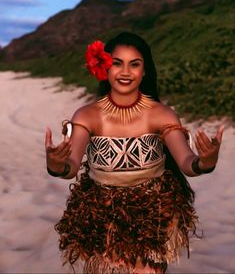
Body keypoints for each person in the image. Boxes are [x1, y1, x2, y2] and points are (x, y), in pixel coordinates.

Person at [45, 32, 224, 274]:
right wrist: (56, 164)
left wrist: (205, 161)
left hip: (153, 217)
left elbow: (186, 161)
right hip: (100, 218)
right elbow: (71, 166)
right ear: (103, 68)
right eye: (117, 63)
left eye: (135, 64)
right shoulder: (87, 116)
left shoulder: (162, 115)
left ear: (145, 70)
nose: (126, 72)